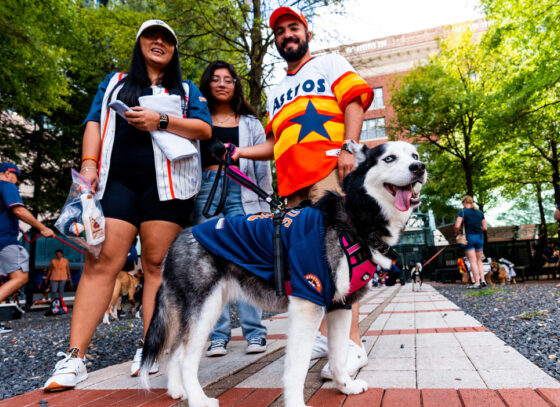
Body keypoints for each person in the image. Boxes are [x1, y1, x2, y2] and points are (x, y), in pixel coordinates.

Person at [43, 19, 212, 391]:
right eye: (151, 36)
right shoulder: (114, 81)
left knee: (155, 266)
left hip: (168, 186)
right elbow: (93, 123)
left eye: (167, 39)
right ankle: (75, 358)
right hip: (115, 182)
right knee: (102, 260)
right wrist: (88, 168)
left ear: (174, 50)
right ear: (139, 44)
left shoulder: (186, 89)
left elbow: (204, 129)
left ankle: (149, 351)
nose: (158, 41)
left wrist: (161, 120)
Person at [231, 6, 374, 380]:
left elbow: (354, 102)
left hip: (330, 171)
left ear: (306, 33)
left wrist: (350, 146)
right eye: (280, 32)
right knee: (309, 265)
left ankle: (352, 346)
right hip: (292, 188)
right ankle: (326, 338)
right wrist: (241, 152)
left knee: (341, 258)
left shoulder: (329, 64)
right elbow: (275, 142)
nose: (286, 35)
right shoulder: (278, 90)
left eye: (293, 28)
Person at [194, 60, 270, 357]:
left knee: (246, 259)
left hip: (243, 189)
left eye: (229, 79)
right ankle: (217, 335)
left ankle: (255, 333)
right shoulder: (198, 120)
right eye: (216, 79)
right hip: (206, 189)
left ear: (236, 85)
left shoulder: (250, 123)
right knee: (209, 262)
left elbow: (263, 167)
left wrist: (264, 202)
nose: (223, 84)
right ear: (207, 84)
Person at [0, 163, 56, 335]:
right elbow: (19, 210)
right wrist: (42, 228)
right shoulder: (7, 186)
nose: (18, 182)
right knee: (21, 277)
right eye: (17, 177)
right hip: (2, 239)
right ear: (8, 173)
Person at [454, 195, 488, 289]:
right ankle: (483, 280)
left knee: (472, 261)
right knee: (479, 260)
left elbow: (457, 226)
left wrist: (456, 233)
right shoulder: (480, 212)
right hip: (480, 237)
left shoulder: (462, 212)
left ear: (464, 203)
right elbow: (485, 228)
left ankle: (476, 283)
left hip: (469, 237)